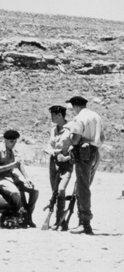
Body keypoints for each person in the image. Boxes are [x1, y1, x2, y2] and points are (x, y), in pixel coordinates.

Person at [63, 95, 104, 235]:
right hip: (94, 152)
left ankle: (84, 223)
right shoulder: (96, 116)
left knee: (82, 188)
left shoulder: (79, 118)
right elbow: (102, 137)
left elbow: (75, 140)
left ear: (75, 106)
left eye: (72, 108)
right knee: (85, 186)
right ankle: (84, 221)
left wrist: (69, 137)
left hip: (84, 153)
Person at [0, 129, 39, 228]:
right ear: (5, 140)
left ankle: (28, 216)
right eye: (12, 141)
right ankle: (21, 212)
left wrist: (26, 178)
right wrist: (11, 166)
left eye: (15, 141)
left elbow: (19, 165)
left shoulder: (14, 151)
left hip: (11, 177)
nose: (14, 144)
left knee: (34, 191)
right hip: (0, 178)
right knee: (15, 192)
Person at [44, 105, 73, 230]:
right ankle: (58, 220)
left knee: (61, 190)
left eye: (53, 115)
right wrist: (54, 152)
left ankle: (60, 219)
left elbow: (74, 147)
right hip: (53, 162)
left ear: (60, 115)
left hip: (66, 164)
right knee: (55, 192)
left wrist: (66, 157)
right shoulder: (53, 130)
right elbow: (49, 146)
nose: (51, 117)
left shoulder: (71, 129)